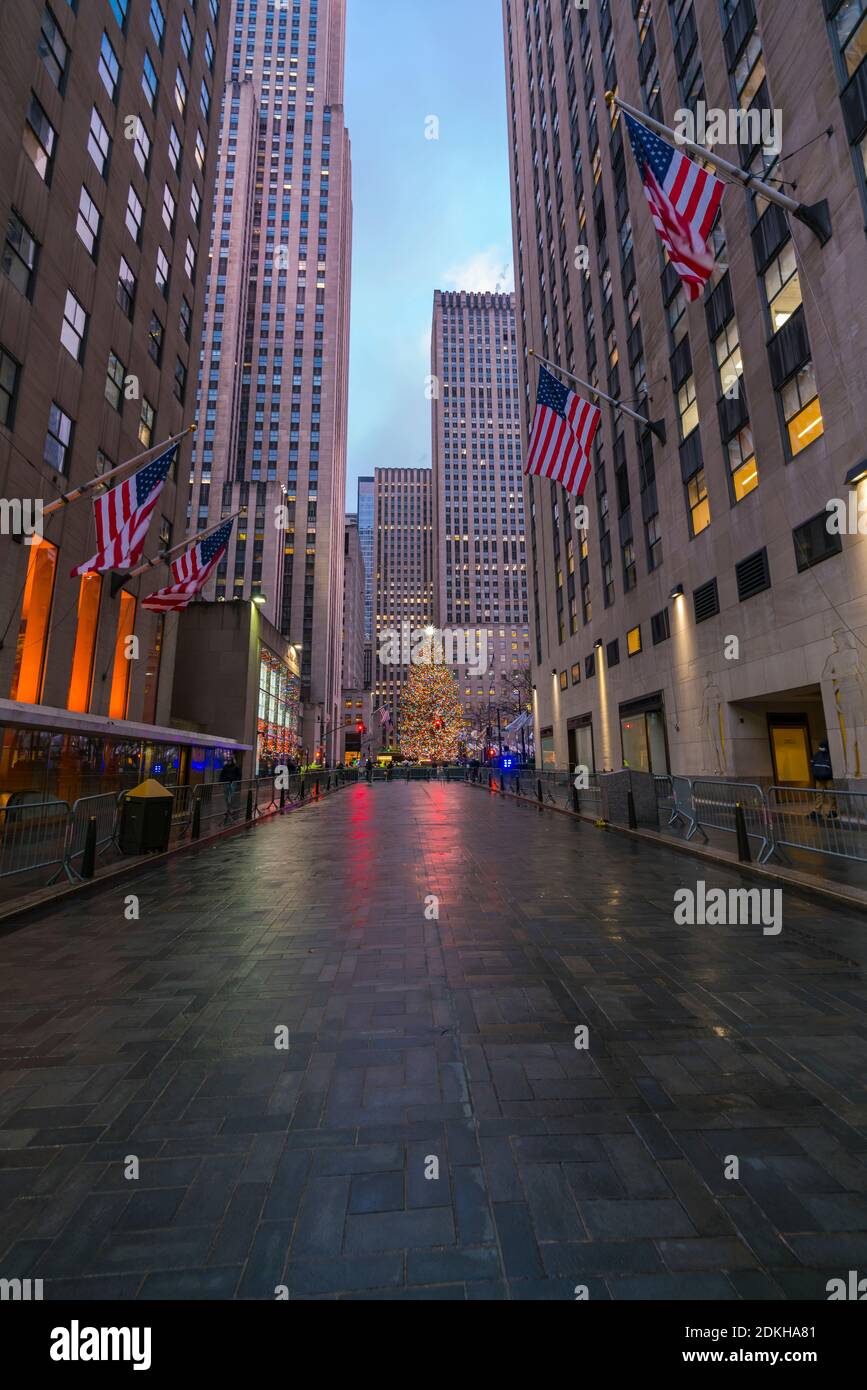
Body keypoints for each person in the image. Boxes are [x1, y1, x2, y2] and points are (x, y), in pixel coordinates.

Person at [809, 740, 836, 819]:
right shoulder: (830, 755)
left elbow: (812, 764)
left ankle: (817, 811)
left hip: (819, 779)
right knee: (831, 795)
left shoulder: (816, 755)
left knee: (819, 795)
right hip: (828, 778)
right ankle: (833, 810)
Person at [220, 757, 242, 823]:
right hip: (226, 782)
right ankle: (228, 809)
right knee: (226, 796)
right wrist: (221, 780)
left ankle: (230, 809)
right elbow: (222, 774)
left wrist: (237, 781)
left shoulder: (236, 767)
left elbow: (239, 775)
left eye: (230, 761)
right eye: (228, 760)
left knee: (231, 796)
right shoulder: (225, 767)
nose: (229, 762)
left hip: (233, 782)